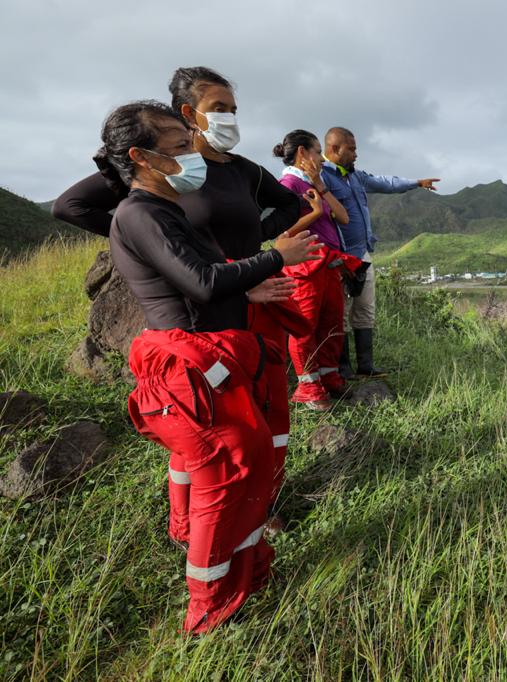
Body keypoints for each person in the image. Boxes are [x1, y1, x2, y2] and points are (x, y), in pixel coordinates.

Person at [52, 67, 313, 541]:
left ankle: (264, 503)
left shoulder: (244, 171)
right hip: (199, 311)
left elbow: (293, 207)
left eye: (233, 109)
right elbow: (69, 206)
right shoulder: (157, 181)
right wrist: (154, 249)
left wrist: (256, 246)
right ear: (187, 114)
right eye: (219, 109)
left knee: (265, 409)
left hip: (247, 295)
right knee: (207, 423)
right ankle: (192, 521)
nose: (230, 119)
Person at [98, 100, 320, 633]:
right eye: (177, 148)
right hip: (191, 366)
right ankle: (211, 608)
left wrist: (253, 285)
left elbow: (205, 277)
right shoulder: (140, 213)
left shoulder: (166, 209)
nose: (190, 156)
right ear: (141, 157)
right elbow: (201, 282)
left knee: (243, 464)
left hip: (209, 358)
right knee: (230, 471)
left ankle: (245, 574)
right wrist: (275, 257)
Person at [321, 127, 441, 378]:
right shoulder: (321, 177)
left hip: (363, 254)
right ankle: (343, 368)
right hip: (340, 257)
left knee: (365, 308)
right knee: (340, 312)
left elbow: (385, 182)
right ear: (334, 149)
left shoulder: (356, 176)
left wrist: (416, 183)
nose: (356, 154)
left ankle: (366, 365)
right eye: (351, 149)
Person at [273, 130, 363, 409]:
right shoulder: (286, 186)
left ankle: (328, 376)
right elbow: (279, 235)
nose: (321, 159)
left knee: (331, 323)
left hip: (327, 264)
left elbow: (344, 218)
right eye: (316, 152)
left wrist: (318, 183)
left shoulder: (310, 183)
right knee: (305, 326)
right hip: (305, 265)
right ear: (302, 153)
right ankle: (308, 385)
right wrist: (312, 214)